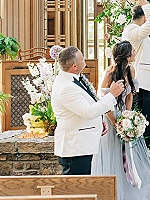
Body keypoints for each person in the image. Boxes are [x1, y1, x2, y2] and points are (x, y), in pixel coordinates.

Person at [91, 40, 150, 200]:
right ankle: (112, 194)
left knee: (128, 155)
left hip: (124, 118)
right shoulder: (109, 73)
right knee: (113, 154)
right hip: (111, 116)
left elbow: (129, 95)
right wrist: (115, 123)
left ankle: (128, 191)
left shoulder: (131, 70)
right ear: (127, 55)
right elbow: (103, 100)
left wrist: (128, 115)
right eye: (133, 50)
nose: (135, 52)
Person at [51, 46, 124, 175]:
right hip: (74, 148)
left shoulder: (74, 78)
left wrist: (99, 120)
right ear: (74, 66)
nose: (84, 59)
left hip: (81, 145)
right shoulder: (66, 88)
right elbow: (88, 112)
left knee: (83, 189)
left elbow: (86, 105)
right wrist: (112, 95)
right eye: (82, 58)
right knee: (76, 190)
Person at [121, 0, 150, 138]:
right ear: (145, 18)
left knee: (145, 128)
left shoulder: (138, 32)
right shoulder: (132, 31)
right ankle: (138, 161)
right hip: (143, 87)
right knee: (142, 130)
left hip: (147, 86)